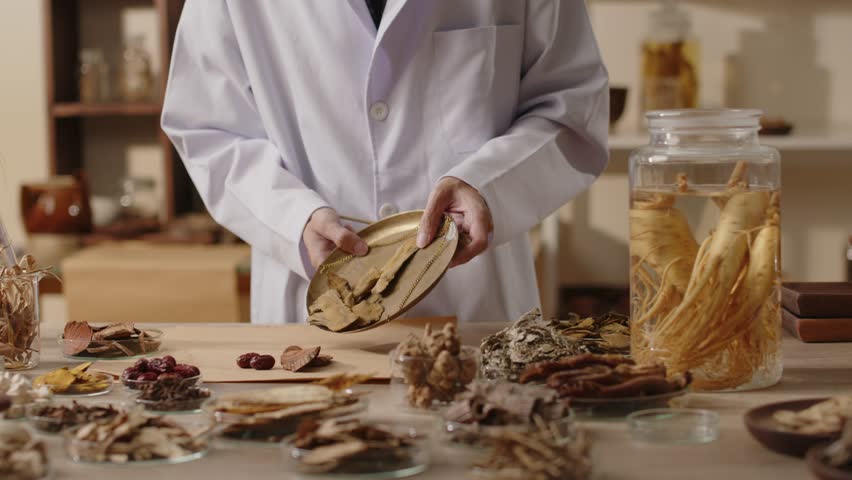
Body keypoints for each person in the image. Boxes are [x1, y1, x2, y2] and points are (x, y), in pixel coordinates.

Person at [161, 1, 609, 325]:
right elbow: (207, 127)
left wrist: (490, 185)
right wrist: (292, 218)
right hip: (312, 308)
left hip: (475, 300)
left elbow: (569, 105)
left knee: (480, 449)